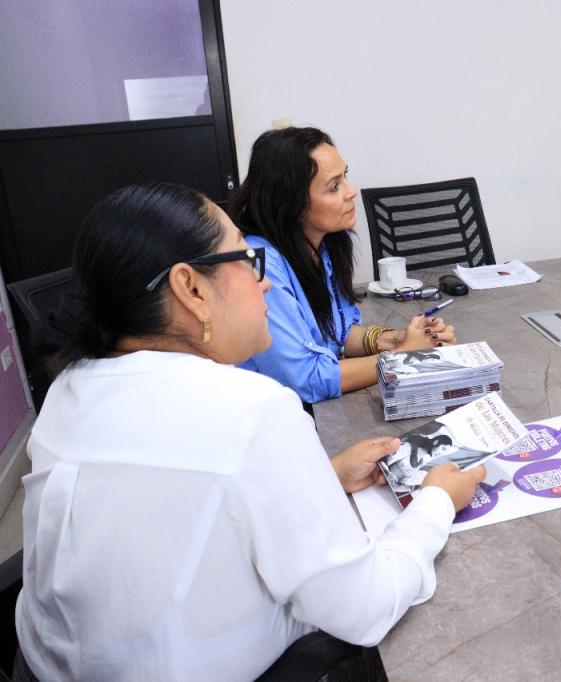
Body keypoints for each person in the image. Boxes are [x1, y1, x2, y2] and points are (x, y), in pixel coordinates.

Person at [15, 183, 485, 681]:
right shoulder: (250, 410)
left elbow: (171, 501)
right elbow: (366, 606)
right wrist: (436, 502)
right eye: (247, 260)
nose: (264, 285)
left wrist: (320, 476)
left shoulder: (69, 387)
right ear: (191, 288)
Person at [229, 126, 457, 403]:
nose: (352, 191)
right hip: (274, 413)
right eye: (334, 187)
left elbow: (339, 334)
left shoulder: (324, 242)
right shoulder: (261, 266)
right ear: (292, 202)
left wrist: (401, 339)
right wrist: (402, 356)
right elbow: (307, 380)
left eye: (345, 176)